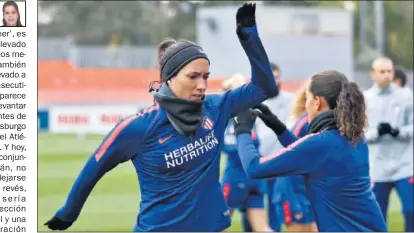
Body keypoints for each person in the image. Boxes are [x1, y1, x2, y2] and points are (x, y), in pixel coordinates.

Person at [44, 3, 279, 232]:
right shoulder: (137, 128)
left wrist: (249, 37)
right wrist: (68, 213)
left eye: (206, 77)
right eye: (193, 77)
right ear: (169, 78)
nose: (202, 85)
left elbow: (264, 87)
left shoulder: (217, 106)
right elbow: (93, 168)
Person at [232, 70, 388, 231]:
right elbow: (308, 154)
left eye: (307, 98)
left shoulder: (320, 143)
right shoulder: (355, 136)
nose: (305, 104)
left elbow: (254, 168)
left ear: (317, 102)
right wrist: (276, 125)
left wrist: (242, 129)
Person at [364, 57, 413, 232]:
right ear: (373, 74)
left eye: (389, 71)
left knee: (411, 210)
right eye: (382, 72)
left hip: (404, 165)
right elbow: (359, 133)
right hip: (378, 168)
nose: (387, 75)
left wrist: (397, 132)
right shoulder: (365, 99)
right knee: (377, 215)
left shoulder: (406, 95)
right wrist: (377, 133)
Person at [221, 74, 272, 232]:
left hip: (236, 177)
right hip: (256, 177)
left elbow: (228, 147)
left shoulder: (230, 118)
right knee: (262, 228)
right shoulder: (255, 112)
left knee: (214, 225)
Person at [272, 81, 317, 232]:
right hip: (293, 193)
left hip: (307, 192)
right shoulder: (304, 125)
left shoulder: (318, 123)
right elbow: (288, 160)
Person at [255, 62, 293, 232]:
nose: (275, 81)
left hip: (287, 161)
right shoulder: (256, 102)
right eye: (272, 77)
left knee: (291, 206)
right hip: (266, 161)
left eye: (277, 77)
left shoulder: (290, 100)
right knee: (264, 205)